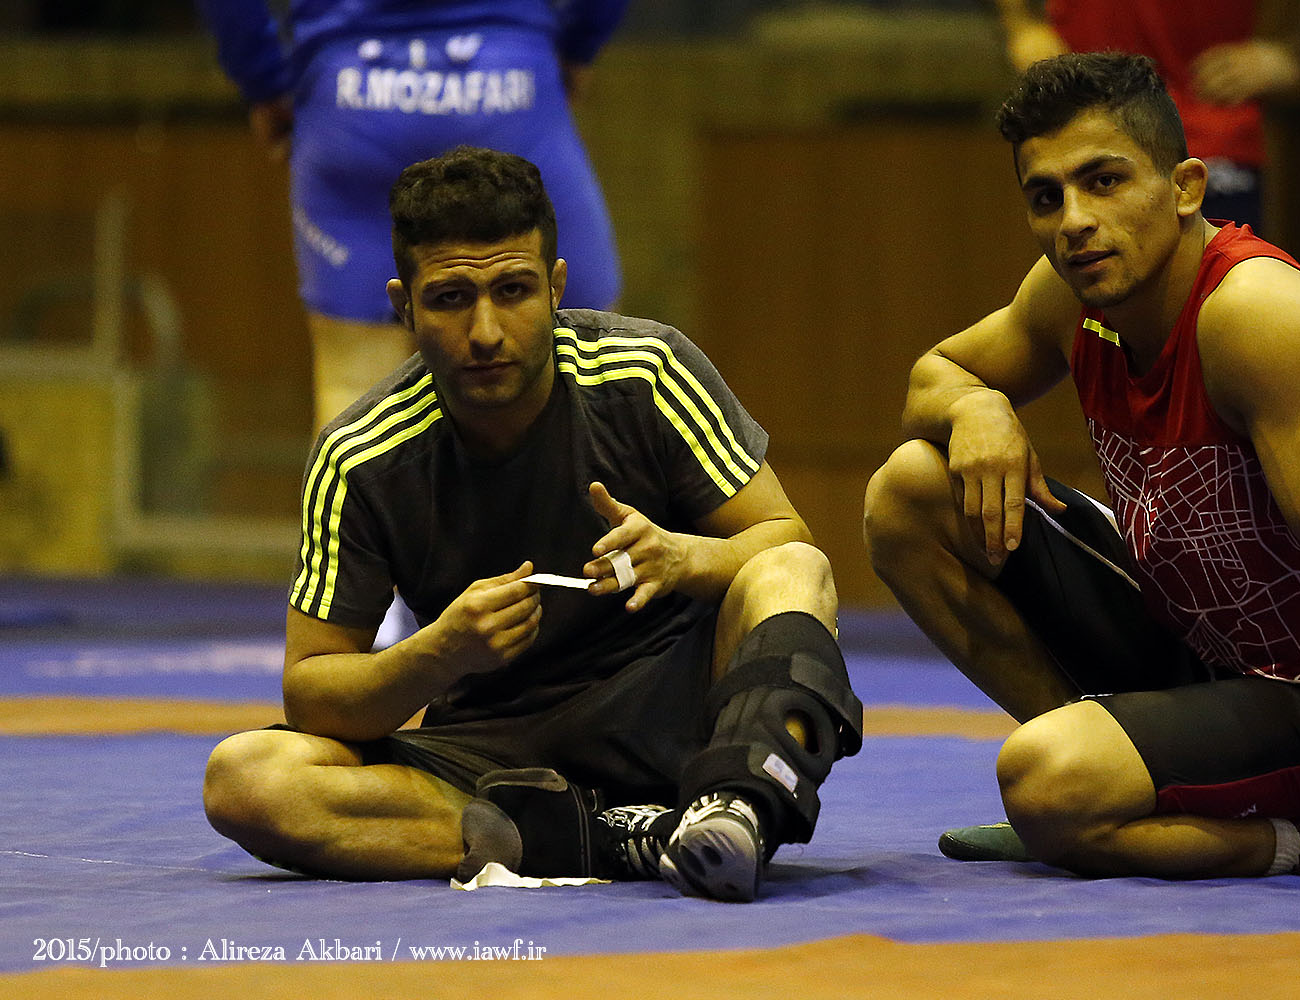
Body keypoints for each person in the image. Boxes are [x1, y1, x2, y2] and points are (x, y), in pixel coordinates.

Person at [861, 53, 1300, 894]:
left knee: (1042, 779)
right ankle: (1101, 782)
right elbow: (935, 374)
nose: (1075, 221)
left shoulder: (1260, 317)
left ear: (1185, 187)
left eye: (1104, 181)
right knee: (910, 491)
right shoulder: (1071, 293)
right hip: (1196, 641)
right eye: (1046, 197)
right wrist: (978, 407)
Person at [201, 146, 861, 902]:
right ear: (404, 307)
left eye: (512, 290)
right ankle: (607, 835)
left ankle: (735, 808)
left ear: (555, 288)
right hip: (497, 758)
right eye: (451, 299)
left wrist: (687, 558)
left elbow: (787, 540)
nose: (485, 331)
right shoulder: (360, 456)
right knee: (247, 780)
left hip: (679, 718)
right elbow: (312, 691)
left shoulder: (647, 372)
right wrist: (439, 653)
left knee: (793, 572)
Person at [197, 0, 627, 430]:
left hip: (351, 100)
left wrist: (263, 81)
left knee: (353, 388)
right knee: (587, 367)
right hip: (508, 87)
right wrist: (579, 46)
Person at [988, 0, 1300, 234]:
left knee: (1217, 303)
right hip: (1082, 123)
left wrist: (1293, 53)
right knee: (1092, 315)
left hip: (1210, 127)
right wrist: (1021, 24)